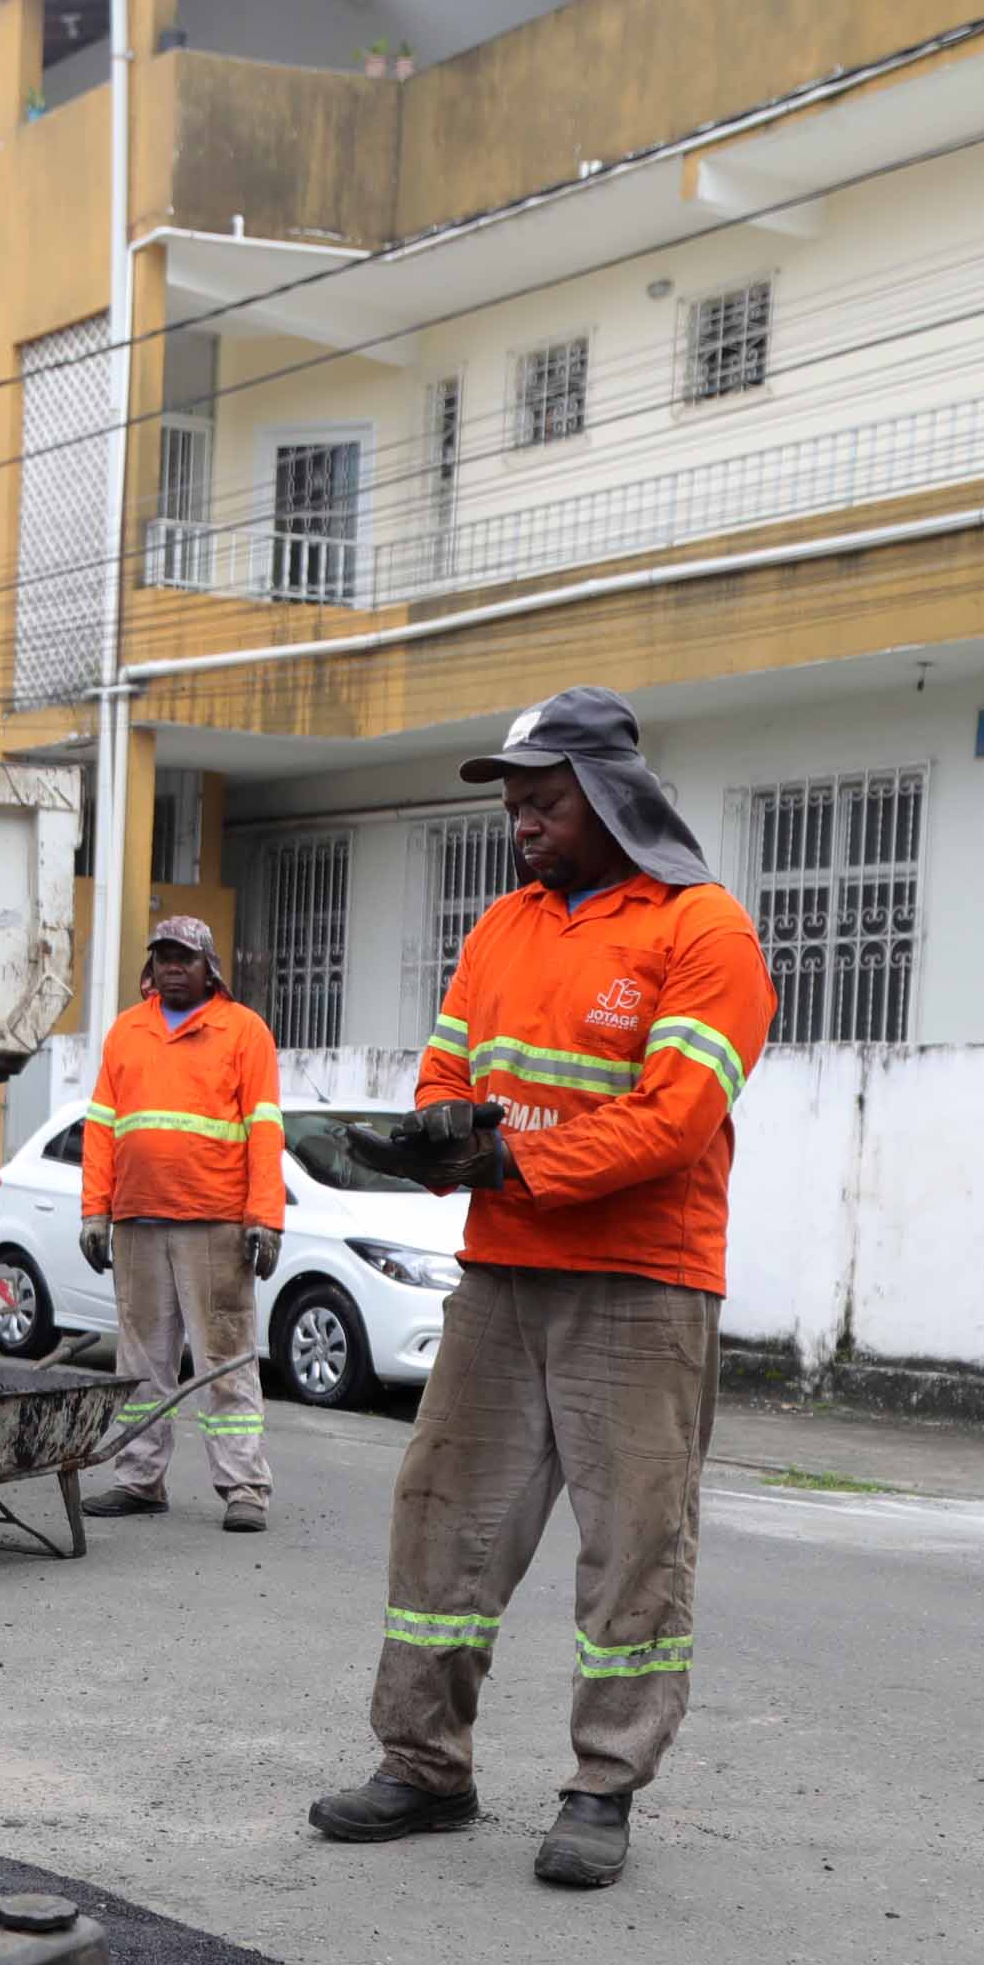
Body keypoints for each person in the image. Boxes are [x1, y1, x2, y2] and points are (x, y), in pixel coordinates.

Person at [307, 688, 774, 1892]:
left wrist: (513, 1160)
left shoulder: (703, 932)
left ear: (613, 796)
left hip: (642, 1285)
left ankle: (601, 1788)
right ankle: (424, 1767)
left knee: (633, 1546)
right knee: (443, 1520)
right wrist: (434, 1129)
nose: (520, 821)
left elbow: (673, 1120)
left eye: (543, 800)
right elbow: (451, 1062)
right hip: (503, 1278)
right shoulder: (501, 928)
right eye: (513, 803)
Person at [76, 918, 281, 1533]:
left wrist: (265, 1220)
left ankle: (244, 1486)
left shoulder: (243, 1032)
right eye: (162, 956)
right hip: (137, 1222)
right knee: (139, 1363)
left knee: (225, 1359)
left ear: (209, 967)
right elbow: (100, 1129)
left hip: (214, 1224)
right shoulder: (126, 1032)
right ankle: (139, 1479)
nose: (171, 966)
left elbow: (265, 1133)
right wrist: (94, 1211)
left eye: (183, 958)